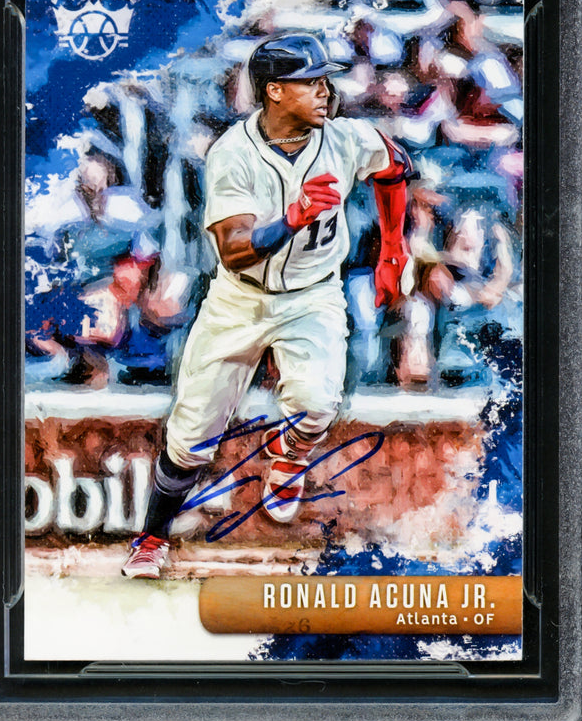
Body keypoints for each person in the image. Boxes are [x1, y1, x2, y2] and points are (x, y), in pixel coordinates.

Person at [122, 33, 414, 578]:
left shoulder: (345, 137)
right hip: (240, 298)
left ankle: (290, 452)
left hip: (313, 293)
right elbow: (234, 251)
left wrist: (394, 250)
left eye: (325, 81)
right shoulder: (232, 153)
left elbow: (395, 167)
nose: (326, 92)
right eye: (311, 83)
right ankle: (151, 539)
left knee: (316, 404)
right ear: (275, 91)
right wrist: (294, 217)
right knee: (190, 438)